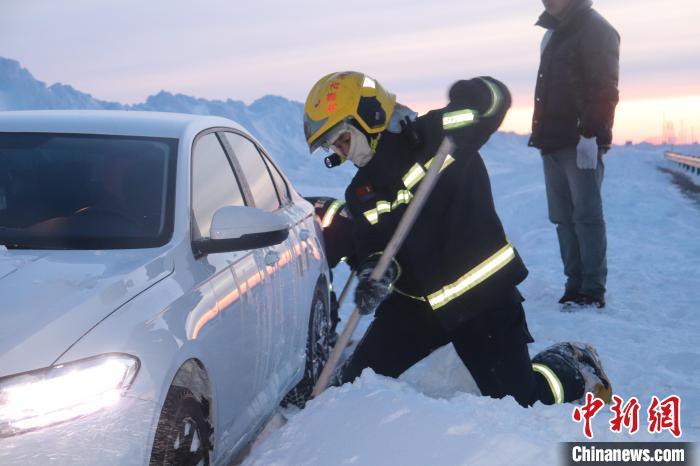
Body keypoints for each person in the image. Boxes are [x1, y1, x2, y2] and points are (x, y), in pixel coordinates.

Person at [303, 71, 612, 407]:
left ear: (369, 116)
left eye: (343, 140)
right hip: (414, 309)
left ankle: (573, 364)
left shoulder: (438, 133)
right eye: (334, 147)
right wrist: (374, 271)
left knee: (524, 403)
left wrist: (479, 93)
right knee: (354, 386)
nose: (342, 153)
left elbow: (494, 103)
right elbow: (372, 246)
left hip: (483, 302)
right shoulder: (361, 192)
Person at [529, 0, 620, 308]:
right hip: (552, 139)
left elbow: (605, 88)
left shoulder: (595, 28)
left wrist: (590, 135)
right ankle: (574, 283)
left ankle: (592, 289)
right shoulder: (554, 32)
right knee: (563, 218)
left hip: (580, 140)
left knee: (586, 216)